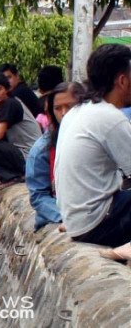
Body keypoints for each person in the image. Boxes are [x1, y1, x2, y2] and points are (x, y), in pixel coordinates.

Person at [54, 44, 131, 261]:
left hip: (78, 222)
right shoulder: (109, 117)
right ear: (123, 80)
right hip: (98, 224)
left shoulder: (77, 111)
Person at [25, 82, 84, 231]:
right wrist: (67, 216)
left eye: (70, 107)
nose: (64, 113)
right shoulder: (41, 149)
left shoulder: (94, 138)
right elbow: (39, 196)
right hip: (57, 215)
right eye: (58, 108)